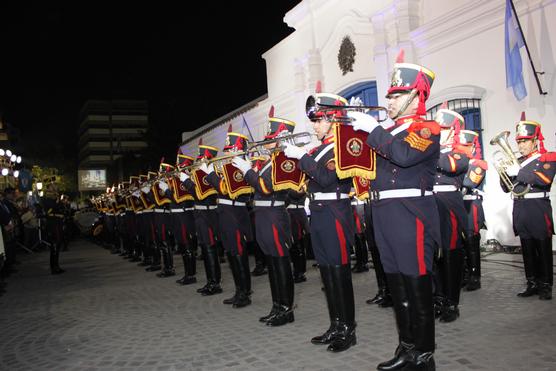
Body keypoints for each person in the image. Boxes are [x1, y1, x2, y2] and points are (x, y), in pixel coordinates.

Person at [350, 50, 439, 370]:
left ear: (417, 98)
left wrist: (372, 130)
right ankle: (407, 347)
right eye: (390, 94)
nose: (389, 100)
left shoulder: (428, 129)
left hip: (410, 212)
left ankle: (424, 355)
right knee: (396, 284)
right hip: (384, 213)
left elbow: (402, 155)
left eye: (398, 94)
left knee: (416, 284)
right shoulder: (386, 132)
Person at [284, 92, 356, 352]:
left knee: (339, 271)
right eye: (313, 121)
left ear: (333, 119)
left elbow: (326, 178)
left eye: (318, 120)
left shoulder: (342, 145)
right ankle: (336, 324)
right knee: (327, 272)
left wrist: (301, 157)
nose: (314, 125)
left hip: (335, 211)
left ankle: (348, 329)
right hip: (319, 211)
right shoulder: (320, 148)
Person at [232, 114, 295, 326]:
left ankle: (286, 310)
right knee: (272, 262)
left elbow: (266, 188)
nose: (267, 143)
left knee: (280, 262)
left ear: (280, 140)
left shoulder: (284, 160)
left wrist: (248, 171)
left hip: (274, 216)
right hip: (263, 216)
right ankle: (277, 306)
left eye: (271, 139)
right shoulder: (270, 162)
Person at [500, 114, 555, 300]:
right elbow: (506, 188)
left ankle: (546, 284)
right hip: (520, 208)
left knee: (543, 247)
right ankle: (532, 282)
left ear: (535, 141)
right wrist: (504, 173)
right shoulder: (518, 162)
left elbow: (544, 179)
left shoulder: (548, 157)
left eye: (525, 141)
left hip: (538, 207)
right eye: (519, 142)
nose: (521, 146)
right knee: (527, 248)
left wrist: (519, 172)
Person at [203, 127, 253, 307]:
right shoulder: (230, 167)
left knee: (239, 253)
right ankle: (239, 289)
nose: (228, 153)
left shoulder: (241, 167)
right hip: (225, 213)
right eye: (228, 150)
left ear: (240, 149)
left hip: (235, 214)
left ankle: (245, 292)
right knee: (231, 253)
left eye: (231, 149)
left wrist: (209, 175)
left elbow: (226, 190)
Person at [432, 107, 469, 323]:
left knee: (451, 253)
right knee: (433, 256)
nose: (439, 132)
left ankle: (452, 302)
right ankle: (438, 298)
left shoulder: (460, 153)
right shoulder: (432, 150)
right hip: (430, 203)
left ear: (453, 132)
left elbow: (449, 165)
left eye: (443, 129)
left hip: (449, 205)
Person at [180, 141, 222, 296]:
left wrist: (186, 181)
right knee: (205, 248)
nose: (197, 161)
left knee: (210, 249)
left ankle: (215, 283)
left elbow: (199, 194)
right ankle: (210, 281)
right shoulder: (201, 174)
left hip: (208, 215)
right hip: (201, 215)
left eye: (200, 158)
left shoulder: (209, 174)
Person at [459, 129, 487, 291]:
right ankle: (464, 274)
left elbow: (469, 183)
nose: (462, 149)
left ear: (473, 147)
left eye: (466, 146)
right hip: (459, 205)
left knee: (471, 241)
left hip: (471, 204)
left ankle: (475, 277)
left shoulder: (477, 164)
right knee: (460, 242)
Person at [41, 178, 66, 274]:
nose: (56, 187)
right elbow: (48, 212)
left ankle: (56, 265)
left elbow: (61, 208)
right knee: (55, 244)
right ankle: (54, 267)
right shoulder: (47, 199)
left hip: (57, 222)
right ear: (49, 188)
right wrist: (57, 213)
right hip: (53, 223)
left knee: (58, 244)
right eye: (53, 186)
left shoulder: (56, 198)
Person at [287, 188, 310, 283]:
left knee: (298, 243)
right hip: (293, 212)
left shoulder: (299, 181)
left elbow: (295, 194)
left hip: (296, 212)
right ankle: (299, 271)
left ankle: (299, 272)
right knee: (296, 243)